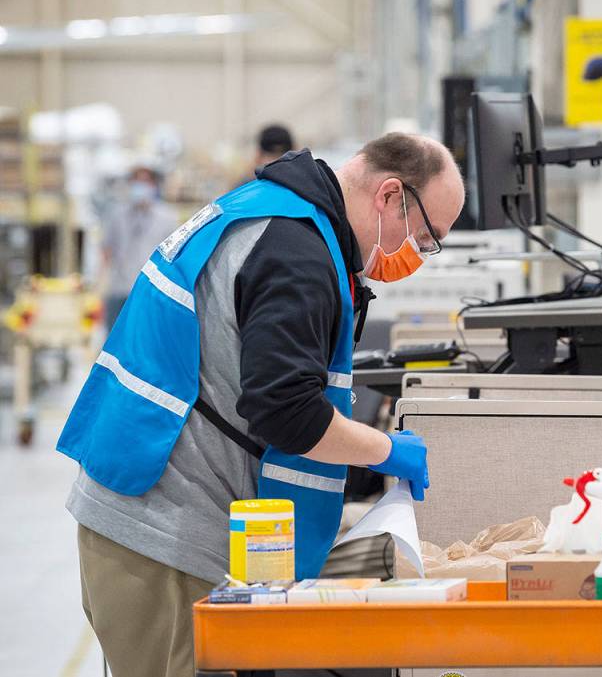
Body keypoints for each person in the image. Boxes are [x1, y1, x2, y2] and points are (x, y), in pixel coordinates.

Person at [57, 133, 465, 676]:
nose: (419, 254)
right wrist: (384, 449)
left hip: (153, 509)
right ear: (390, 196)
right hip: (168, 534)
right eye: (426, 236)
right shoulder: (295, 250)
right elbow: (286, 410)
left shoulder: (271, 212)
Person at [100, 165, 179, 329]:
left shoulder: (168, 218)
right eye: (137, 181)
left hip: (151, 292)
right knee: (116, 342)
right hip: (120, 289)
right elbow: (106, 250)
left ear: (154, 186)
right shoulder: (116, 215)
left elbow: (175, 256)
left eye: (145, 182)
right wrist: (100, 284)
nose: (140, 187)